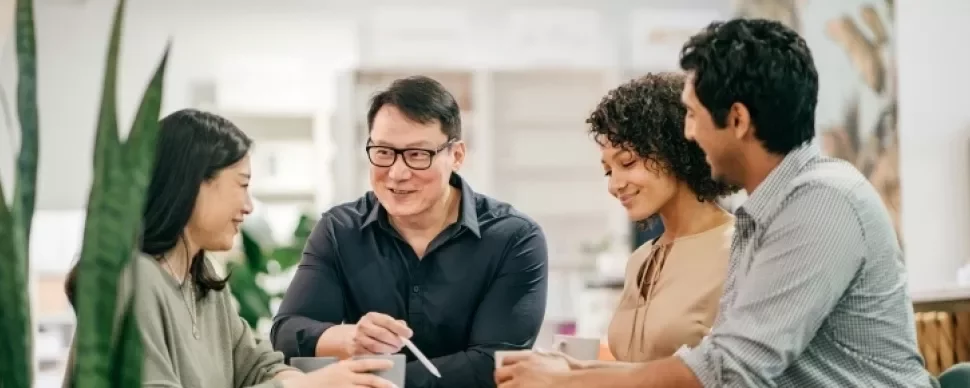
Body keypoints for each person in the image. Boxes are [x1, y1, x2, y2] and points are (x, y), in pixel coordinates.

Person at [495, 18, 940, 388]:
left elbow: (731, 369)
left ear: (737, 120)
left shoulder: (821, 201)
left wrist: (570, 380)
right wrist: (572, 369)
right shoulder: (766, 213)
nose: (687, 134)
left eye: (691, 114)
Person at [63, 109, 397, 388]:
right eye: (242, 185)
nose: (249, 206)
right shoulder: (133, 280)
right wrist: (310, 385)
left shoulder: (203, 279)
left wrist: (325, 380)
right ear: (194, 184)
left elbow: (256, 365)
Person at [271, 76, 549, 388]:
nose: (397, 173)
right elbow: (286, 332)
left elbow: (494, 363)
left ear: (456, 155)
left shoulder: (514, 238)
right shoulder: (341, 230)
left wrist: (376, 380)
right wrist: (349, 338)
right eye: (384, 152)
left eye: (417, 154)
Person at [588, 73, 737, 363]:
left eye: (627, 162)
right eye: (608, 171)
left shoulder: (741, 250)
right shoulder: (640, 260)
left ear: (675, 149)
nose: (614, 184)